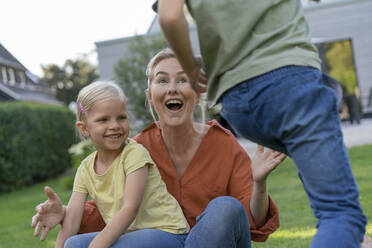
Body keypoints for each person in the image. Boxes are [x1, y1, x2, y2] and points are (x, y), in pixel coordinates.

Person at [155, 0, 367, 247]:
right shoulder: (142, 148)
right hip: (290, 81)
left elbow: (168, 15)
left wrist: (191, 68)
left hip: (236, 104)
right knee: (340, 213)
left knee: (330, 200)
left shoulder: (219, 139)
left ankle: (355, 239)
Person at [32, 49, 287, 248]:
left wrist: (260, 182)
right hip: (157, 242)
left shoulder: (223, 144)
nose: (172, 88)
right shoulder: (132, 148)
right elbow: (106, 211)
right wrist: (64, 213)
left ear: (197, 93)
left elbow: (248, 221)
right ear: (150, 94)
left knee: (226, 207)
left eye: (183, 80)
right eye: (162, 80)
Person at [51, 81, 190, 248]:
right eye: (103, 120)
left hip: (167, 233)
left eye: (121, 117)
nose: (115, 125)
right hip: (131, 237)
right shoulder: (85, 169)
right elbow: (72, 219)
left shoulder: (134, 154)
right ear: (84, 129)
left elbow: (130, 209)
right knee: (73, 244)